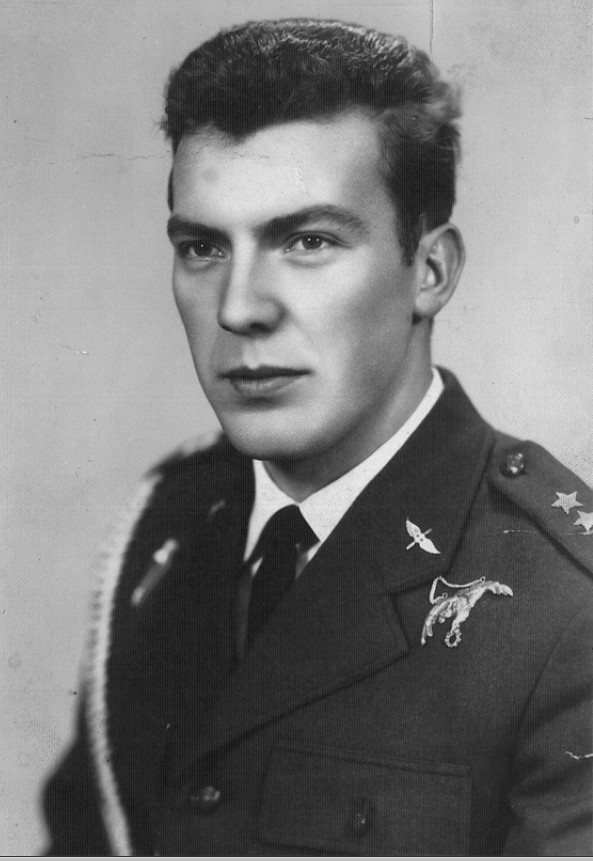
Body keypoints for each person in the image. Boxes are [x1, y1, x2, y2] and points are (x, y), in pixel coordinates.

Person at [42, 18, 593, 857]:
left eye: (307, 241)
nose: (239, 308)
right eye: (202, 247)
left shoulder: (566, 611)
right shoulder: (168, 527)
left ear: (430, 271)